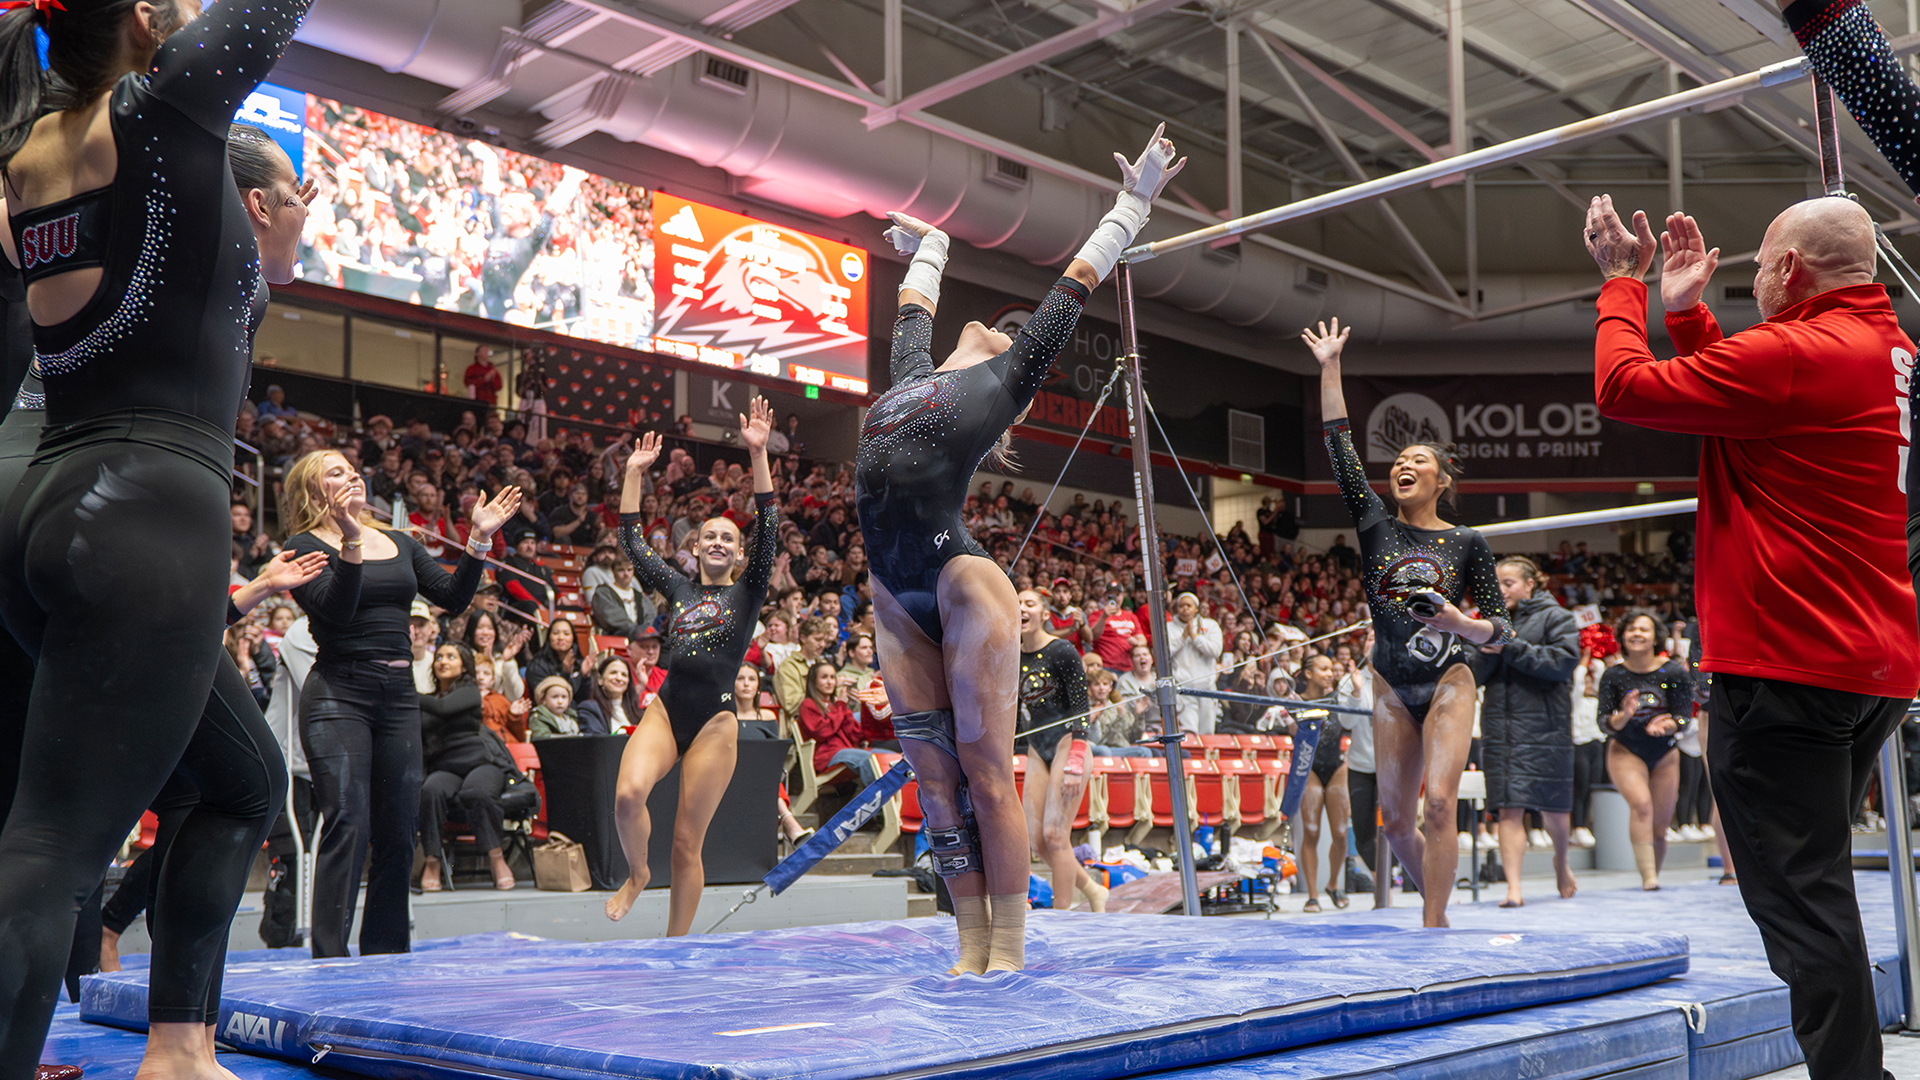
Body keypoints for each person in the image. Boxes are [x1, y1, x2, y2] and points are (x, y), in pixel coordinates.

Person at [0, 1, 318, 1068]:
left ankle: (178, 1048)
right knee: (48, 847)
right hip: (144, 508)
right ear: (145, 21)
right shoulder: (160, 114)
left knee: (237, 781)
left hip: (49, 499)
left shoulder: (31, 150)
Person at [1587, 192, 1920, 1080]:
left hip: (1789, 665)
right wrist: (1691, 314)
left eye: (1763, 262)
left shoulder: (1799, 352)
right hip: (1870, 664)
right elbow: (1757, 412)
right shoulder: (1894, 353)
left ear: (1791, 272)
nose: (1758, 275)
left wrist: (1623, 288)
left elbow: (1624, 388)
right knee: (1819, 888)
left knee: (1804, 908)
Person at [856, 126, 1181, 973]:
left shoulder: (1002, 378)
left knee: (983, 769)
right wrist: (929, 248)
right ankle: (968, 943)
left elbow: (1072, 289)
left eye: (1006, 331)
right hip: (893, 595)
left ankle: (1009, 944)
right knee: (933, 785)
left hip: (961, 582)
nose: (995, 327)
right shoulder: (909, 377)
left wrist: (1131, 206)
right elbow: (913, 308)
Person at [1303, 317, 1512, 929]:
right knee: (1395, 825)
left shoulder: (1467, 542)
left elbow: (1501, 628)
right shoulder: (1375, 526)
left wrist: (1459, 622)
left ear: (1441, 480)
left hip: (1450, 679)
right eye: (1397, 459)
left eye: (1417, 460)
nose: (1403, 465)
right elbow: (1340, 445)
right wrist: (1330, 366)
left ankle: (1434, 926)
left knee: (1440, 803)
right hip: (1392, 686)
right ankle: (1438, 910)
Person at [280, 451, 518, 957]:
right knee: (348, 819)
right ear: (312, 491)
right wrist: (349, 539)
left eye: (352, 467)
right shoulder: (303, 546)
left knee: (398, 827)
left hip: (397, 695)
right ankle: (329, 956)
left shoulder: (401, 542)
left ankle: (385, 955)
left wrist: (478, 539)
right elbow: (336, 611)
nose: (352, 475)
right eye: (336, 472)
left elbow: (452, 599)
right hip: (339, 692)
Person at [605, 399, 780, 934]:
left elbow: (769, 523)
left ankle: (674, 946)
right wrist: (633, 475)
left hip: (715, 724)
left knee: (686, 841)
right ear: (695, 547)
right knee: (628, 795)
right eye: (710, 536)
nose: (720, 542)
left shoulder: (749, 592)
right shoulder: (679, 588)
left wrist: (757, 454)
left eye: (729, 537)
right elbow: (632, 544)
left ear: (739, 554)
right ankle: (637, 873)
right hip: (666, 709)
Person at [1477, 556, 1580, 907]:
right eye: (1497, 584)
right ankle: (1513, 888)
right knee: (1509, 807)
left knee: (1554, 809)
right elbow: (1475, 675)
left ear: (1530, 584)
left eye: (1508, 583)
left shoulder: (1557, 617)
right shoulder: (1489, 623)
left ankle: (1561, 861)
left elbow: (1562, 662)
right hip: (1499, 729)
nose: (1501, 590)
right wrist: (1487, 648)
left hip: (1546, 727)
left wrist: (1511, 646)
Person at [1015, 588, 1107, 913]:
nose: (1021, 608)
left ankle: (1062, 915)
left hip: (1069, 742)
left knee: (1056, 834)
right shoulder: (1012, 656)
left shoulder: (1063, 651)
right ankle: (1094, 891)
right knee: (1038, 842)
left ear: (1044, 613)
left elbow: (1082, 707)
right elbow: (1015, 713)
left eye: (1029, 603)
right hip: (1037, 748)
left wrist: (1078, 756)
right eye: (1016, 603)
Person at [1594, 613, 1690, 891]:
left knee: (1660, 825)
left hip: (1665, 752)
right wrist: (1624, 715)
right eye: (1631, 629)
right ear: (1622, 635)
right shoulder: (1613, 675)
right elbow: (1604, 722)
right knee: (1642, 806)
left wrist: (1669, 724)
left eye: (1644, 629)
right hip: (1626, 749)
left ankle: (1654, 876)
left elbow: (1684, 716)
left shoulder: (1674, 672)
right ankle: (1648, 877)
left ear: (1655, 636)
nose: (1637, 634)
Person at [417, 643, 518, 892]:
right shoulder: (426, 700)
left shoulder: (470, 691)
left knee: (477, 792)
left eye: (451, 657)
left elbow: (443, 709)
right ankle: (432, 862)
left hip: (479, 763)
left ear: (464, 665)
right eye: (439, 657)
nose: (443, 661)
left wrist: (404, 691)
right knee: (430, 790)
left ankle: (496, 858)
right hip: (445, 767)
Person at [1286, 654, 1350, 913]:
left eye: (1331, 670)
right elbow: (1293, 734)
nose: (1330, 673)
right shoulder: (1295, 702)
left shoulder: (1338, 700)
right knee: (1311, 830)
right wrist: (1295, 714)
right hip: (1308, 766)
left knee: (1341, 832)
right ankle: (1312, 894)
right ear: (1308, 673)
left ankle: (1333, 883)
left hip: (1336, 765)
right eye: (1324, 669)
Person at [1164, 591, 1222, 735]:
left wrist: (1195, 638)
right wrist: (1183, 638)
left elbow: (1216, 651)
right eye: (1181, 606)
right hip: (1183, 689)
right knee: (1189, 731)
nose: (1185, 609)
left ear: (1196, 608)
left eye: (1188, 606)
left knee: (1207, 731)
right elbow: (1163, 655)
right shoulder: (1168, 627)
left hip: (1207, 688)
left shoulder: (1211, 625)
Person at [525, 616, 592, 704]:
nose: (561, 637)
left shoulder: (579, 663)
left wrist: (585, 677)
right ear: (549, 637)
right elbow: (553, 699)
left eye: (566, 634)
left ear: (573, 639)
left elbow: (582, 700)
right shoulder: (537, 665)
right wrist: (566, 673)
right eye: (556, 633)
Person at [575, 652, 640, 736]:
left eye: (624, 675)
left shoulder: (637, 712)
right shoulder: (589, 709)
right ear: (600, 679)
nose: (619, 678)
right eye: (613, 673)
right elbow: (598, 742)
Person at [591, 558, 654, 639]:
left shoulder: (639, 595)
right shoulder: (603, 593)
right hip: (614, 636)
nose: (626, 574)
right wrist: (636, 631)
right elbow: (610, 617)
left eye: (629, 570)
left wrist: (642, 631)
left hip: (641, 638)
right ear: (613, 572)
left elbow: (651, 613)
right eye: (621, 570)